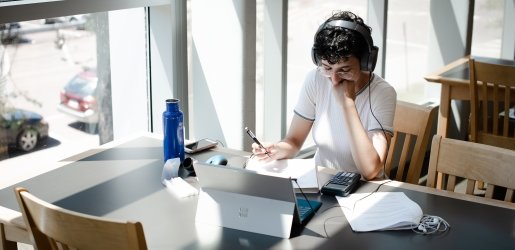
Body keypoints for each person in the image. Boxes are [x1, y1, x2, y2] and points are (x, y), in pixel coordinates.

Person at [252, 10, 396, 180]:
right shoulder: (316, 79)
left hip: (364, 190)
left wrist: (347, 104)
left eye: (345, 70)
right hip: (323, 183)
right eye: (327, 68)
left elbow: (370, 170)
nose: (334, 80)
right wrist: (276, 149)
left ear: (366, 62)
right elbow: (294, 141)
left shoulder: (383, 93)